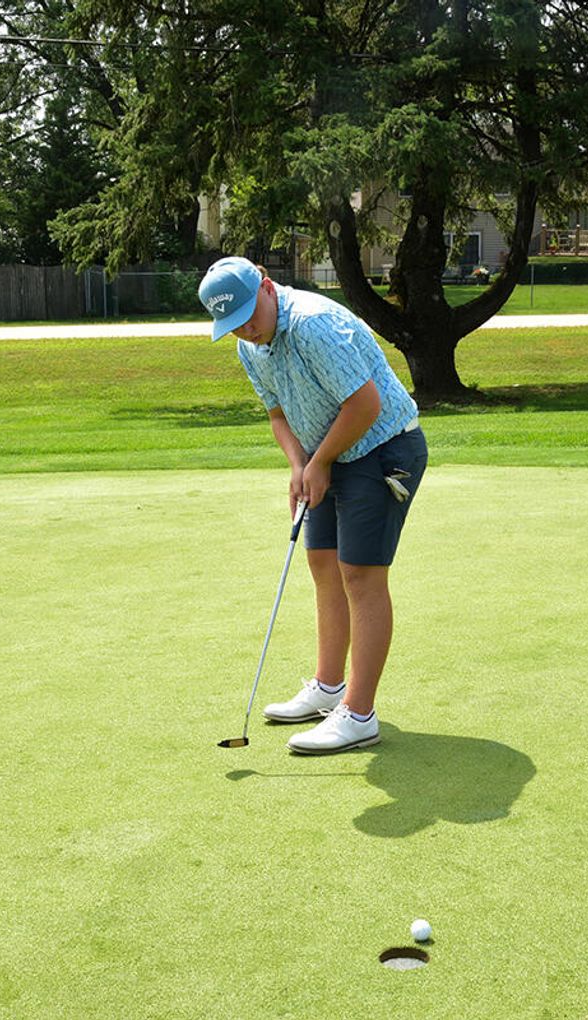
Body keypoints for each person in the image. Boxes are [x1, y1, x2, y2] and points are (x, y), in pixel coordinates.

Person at [199, 257, 428, 754]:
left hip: (382, 447)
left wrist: (319, 462)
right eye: (233, 324)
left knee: (360, 576)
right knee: (323, 563)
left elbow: (365, 405)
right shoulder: (249, 345)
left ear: (266, 286)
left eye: (248, 316)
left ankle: (359, 715)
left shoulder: (313, 323)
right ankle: (328, 686)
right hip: (329, 452)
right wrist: (299, 464)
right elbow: (277, 414)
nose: (246, 330)